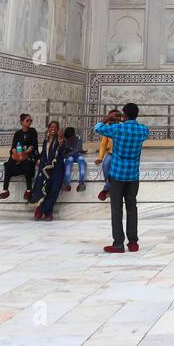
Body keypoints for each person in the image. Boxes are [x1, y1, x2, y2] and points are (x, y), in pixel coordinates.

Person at [94, 102, 150, 253]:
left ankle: (118, 243)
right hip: (133, 175)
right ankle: (133, 242)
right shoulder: (143, 130)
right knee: (132, 207)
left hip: (117, 175)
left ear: (123, 115)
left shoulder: (117, 128)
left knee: (116, 209)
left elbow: (98, 128)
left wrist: (108, 117)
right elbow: (146, 133)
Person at [0, 112, 38, 199]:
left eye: (31, 120)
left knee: (27, 164)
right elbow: (13, 147)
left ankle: (28, 189)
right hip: (18, 155)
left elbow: (33, 145)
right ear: (21, 122)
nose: (30, 122)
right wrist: (14, 151)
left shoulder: (32, 131)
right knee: (8, 165)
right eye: (27, 120)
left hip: (29, 155)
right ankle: (5, 190)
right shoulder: (17, 133)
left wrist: (26, 151)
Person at [31, 120, 66, 220]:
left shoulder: (60, 140)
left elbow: (62, 149)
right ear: (48, 128)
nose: (53, 129)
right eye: (51, 127)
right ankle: (46, 212)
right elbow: (44, 154)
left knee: (54, 191)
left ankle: (42, 210)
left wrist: (61, 141)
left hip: (57, 170)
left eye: (55, 127)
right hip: (45, 169)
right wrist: (39, 160)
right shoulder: (46, 141)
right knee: (44, 190)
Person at [96, 109, 122, 202]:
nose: (113, 120)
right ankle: (109, 187)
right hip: (111, 153)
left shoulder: (122, 128)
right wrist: (100, 157)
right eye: (111, 118)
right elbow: (103, 144)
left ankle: (106, 189)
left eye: (115, 118)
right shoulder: (107, 129)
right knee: (105, 165)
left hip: (120, 155)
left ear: (120, 119)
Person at [62, 126, 87, 192]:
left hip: (77, 155)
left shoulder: (78, 139)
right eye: (68, 138)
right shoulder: (65, 139)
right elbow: (64, 152)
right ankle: (67, 184)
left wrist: (70, 152)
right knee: (69, 162)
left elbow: (77, 150)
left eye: (71, 137)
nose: (70, 139)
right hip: (70, 156)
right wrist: (68, 153)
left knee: (82, 162)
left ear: (74, 135)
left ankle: (81, 183)